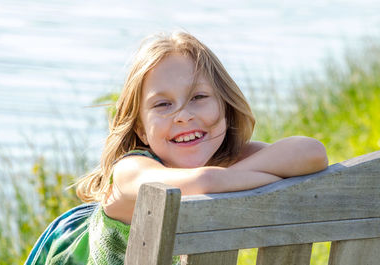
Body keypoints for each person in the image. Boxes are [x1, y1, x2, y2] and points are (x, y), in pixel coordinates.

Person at [25, 31, 328, 265]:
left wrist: (231, 175)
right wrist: (267, 179)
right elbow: (206, 182)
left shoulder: (223, 160)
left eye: (198, 97)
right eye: (163, 104)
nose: (183, 115)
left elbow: (312, 151)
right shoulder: (130, 170)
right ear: (140, 128)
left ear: (225, 107)